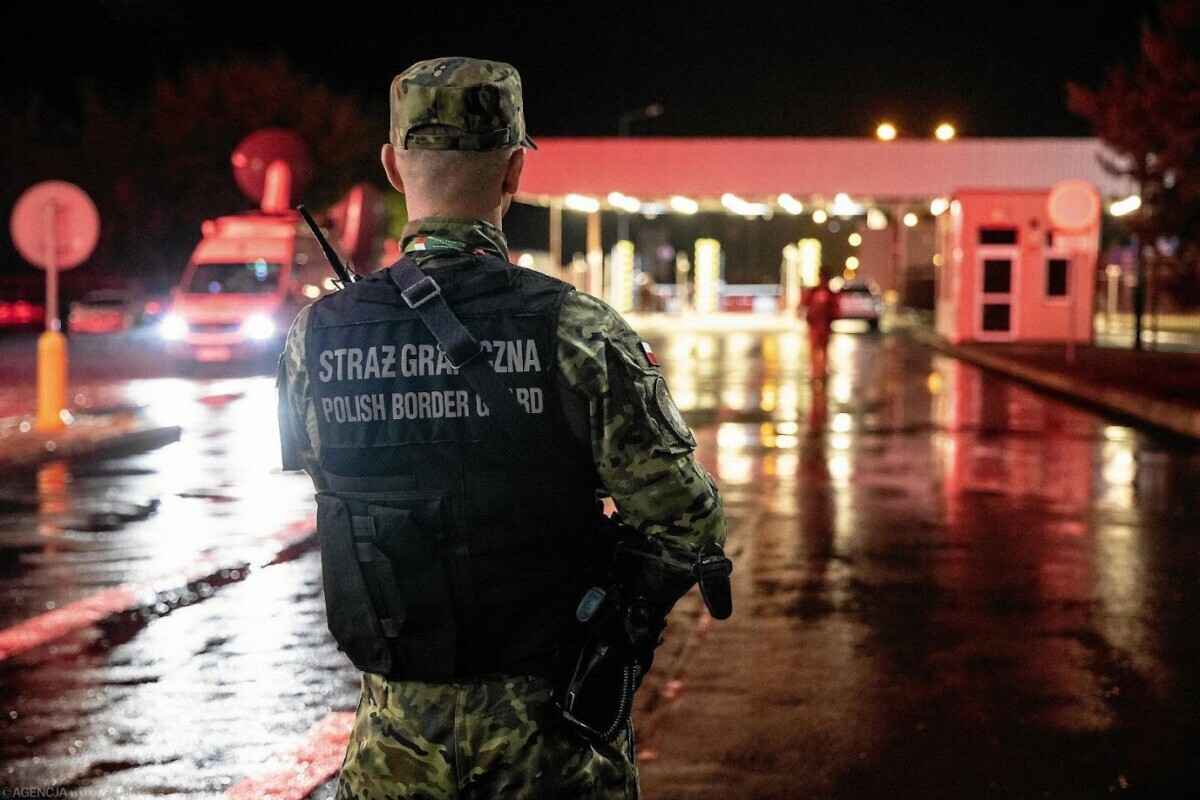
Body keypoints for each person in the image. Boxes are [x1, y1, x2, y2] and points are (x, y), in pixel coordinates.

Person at [277, 57, 727, 800]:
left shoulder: (313, 337)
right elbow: (687, 520)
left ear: (393, 167)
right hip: (552, 749)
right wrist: (617, 614)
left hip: (393, 755)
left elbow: (336, 487)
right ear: (514, 171)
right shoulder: (577, 330)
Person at [804, 276, 840, 381]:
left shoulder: (830, 294)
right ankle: (815, 372)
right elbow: (806, 303)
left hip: (824, 327)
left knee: (823, 349)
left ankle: (822, 371)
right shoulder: (814, 291)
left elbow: (835, 309)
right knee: (814, 349)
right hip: (814, 326)